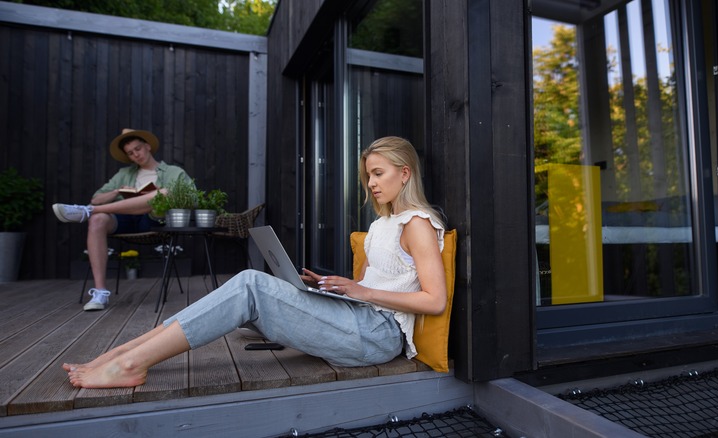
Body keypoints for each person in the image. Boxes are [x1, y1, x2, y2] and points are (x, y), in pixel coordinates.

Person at [63, 136, 447, 389]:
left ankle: (131, 364)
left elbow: (434, 300)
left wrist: (360, 290)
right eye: (368, 176)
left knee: (250, 283)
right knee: (249, 285)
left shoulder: (418, 224)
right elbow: (377, 286)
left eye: (378, 174)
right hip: (357, 318)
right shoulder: (383, 223)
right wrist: (332, 284)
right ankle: (126, 353)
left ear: (405, 173)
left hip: (378, 336)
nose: (372, 183)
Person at [52, 129, 192, 311]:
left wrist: (156, 194)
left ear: (148, 147)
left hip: (153, 220)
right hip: (125, 219)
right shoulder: (124, 174)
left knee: (163, 193)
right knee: (97, 220)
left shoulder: (173, 171)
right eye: (131, 153)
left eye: (138, 149)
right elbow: (96, 198)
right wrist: (117, 191)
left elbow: (191, 197)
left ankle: (88, 211)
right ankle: (100, 293)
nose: (136, 155)